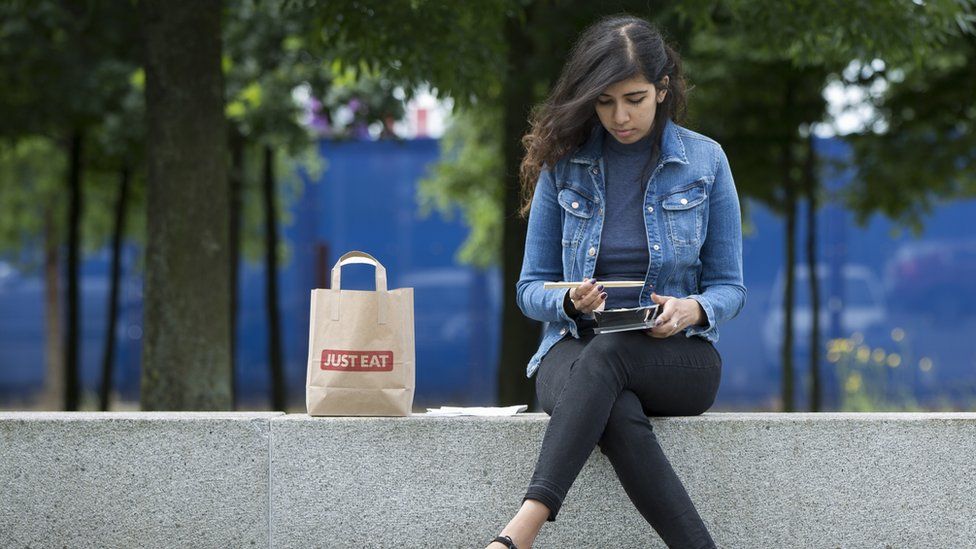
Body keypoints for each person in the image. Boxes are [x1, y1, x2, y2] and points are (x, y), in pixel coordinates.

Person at [485, 14, 746, 549]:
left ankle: (520, 533)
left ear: (662, 89)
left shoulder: (705, 160)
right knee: (614, 403)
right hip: (572, 350)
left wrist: (689, 310)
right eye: (604, 102)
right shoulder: (565, 164)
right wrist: (572, 303)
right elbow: (530, 289)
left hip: (678, 357)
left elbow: (730, 288)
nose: (619, 116)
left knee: (610, 357)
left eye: (634, 98)